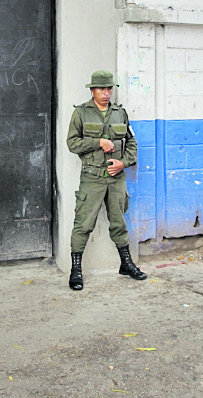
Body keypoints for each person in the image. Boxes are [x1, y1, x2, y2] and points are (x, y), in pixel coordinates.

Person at [65, 70, 146, 290]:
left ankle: (126, 264)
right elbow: (72, 143)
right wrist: (98, 142)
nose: (106, 93)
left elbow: (131, 143)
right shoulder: (81, 113)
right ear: (92, 90)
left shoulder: (120, 113)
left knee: (119, 222)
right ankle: (76, 270)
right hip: (92, 178)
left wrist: (124, 162)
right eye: (101, 88)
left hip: (116, 178)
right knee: (83, 224)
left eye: (109, 88)